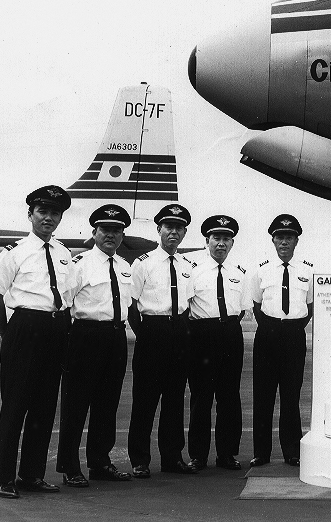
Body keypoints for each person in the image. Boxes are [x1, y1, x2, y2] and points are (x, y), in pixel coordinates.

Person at [0, 185, 73, 499]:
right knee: (15, 407)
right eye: (43, 212)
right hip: (24, 328)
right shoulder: (14, 251)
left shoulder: (64, 253)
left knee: (44, 407)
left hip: (55, 329)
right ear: (30, 214)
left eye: (55, 213)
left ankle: (32, 474)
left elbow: (69, 296)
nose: (48, 218)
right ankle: (5, 477)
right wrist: (9, 335)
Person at [56, 204, 134, 487]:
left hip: (116, 338)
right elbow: (64, 304)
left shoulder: (125, 267)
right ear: (94, 233)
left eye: (116, 230)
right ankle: (69, 466)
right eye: (105, 230)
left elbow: (129, 305)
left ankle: (100, 462)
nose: (111, 235)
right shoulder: (79, 264)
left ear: (122, 235)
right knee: (76, 404)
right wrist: (68, 344)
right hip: (85, 336)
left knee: (107, 404)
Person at [127, 204, 198, 478]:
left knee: (174, 399)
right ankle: (140, 459)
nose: (174, 232)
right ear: (159, 229)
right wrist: (143, 333)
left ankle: (172, 457)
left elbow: (189, 302)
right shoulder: (142, 263)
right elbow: (132, 304)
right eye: (168, 227)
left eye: (179, 228)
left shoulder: (187, 266)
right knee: (144, 399)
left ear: (184, 232)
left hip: (179, 331)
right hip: (152, 331)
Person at [247, 214, 313, 468]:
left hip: (294, 335)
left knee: (290, 396)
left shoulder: (307, 271)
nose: (284, 242)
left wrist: (293, 328)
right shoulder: (261, 271)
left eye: (289, 238)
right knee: (263, 396)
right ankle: (261, 453)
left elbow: (309, 307)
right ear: (273, 241)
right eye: (280, 237)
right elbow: (256, 304)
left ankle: (292, 451)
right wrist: (271, 328)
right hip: (268, 334)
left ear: (296, 242)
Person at [187, 215, 252, 471]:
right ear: (207, 241)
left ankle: (226, 453)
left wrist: (227, 327)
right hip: (202, 334)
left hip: (230, 334)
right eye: (216, 238)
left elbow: (243, 309)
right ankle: (198, 456)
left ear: (232, 243)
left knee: (229, 397)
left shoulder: (240, 273)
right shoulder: (193, 270)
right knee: (201, 397)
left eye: (226, 239)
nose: (221, 244)